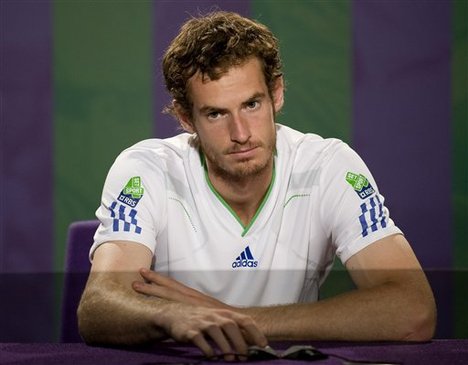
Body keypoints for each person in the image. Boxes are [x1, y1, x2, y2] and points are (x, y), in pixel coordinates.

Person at [78, 11, 436, 360]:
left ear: (276, 94)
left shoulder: (328, 166)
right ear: (186, 118)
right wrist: (173, 316)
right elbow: (97, 306)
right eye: (216, 113)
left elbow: (413, 310)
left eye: (251, 104)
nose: (241, 134)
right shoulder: (146, 169)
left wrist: (231, 317)